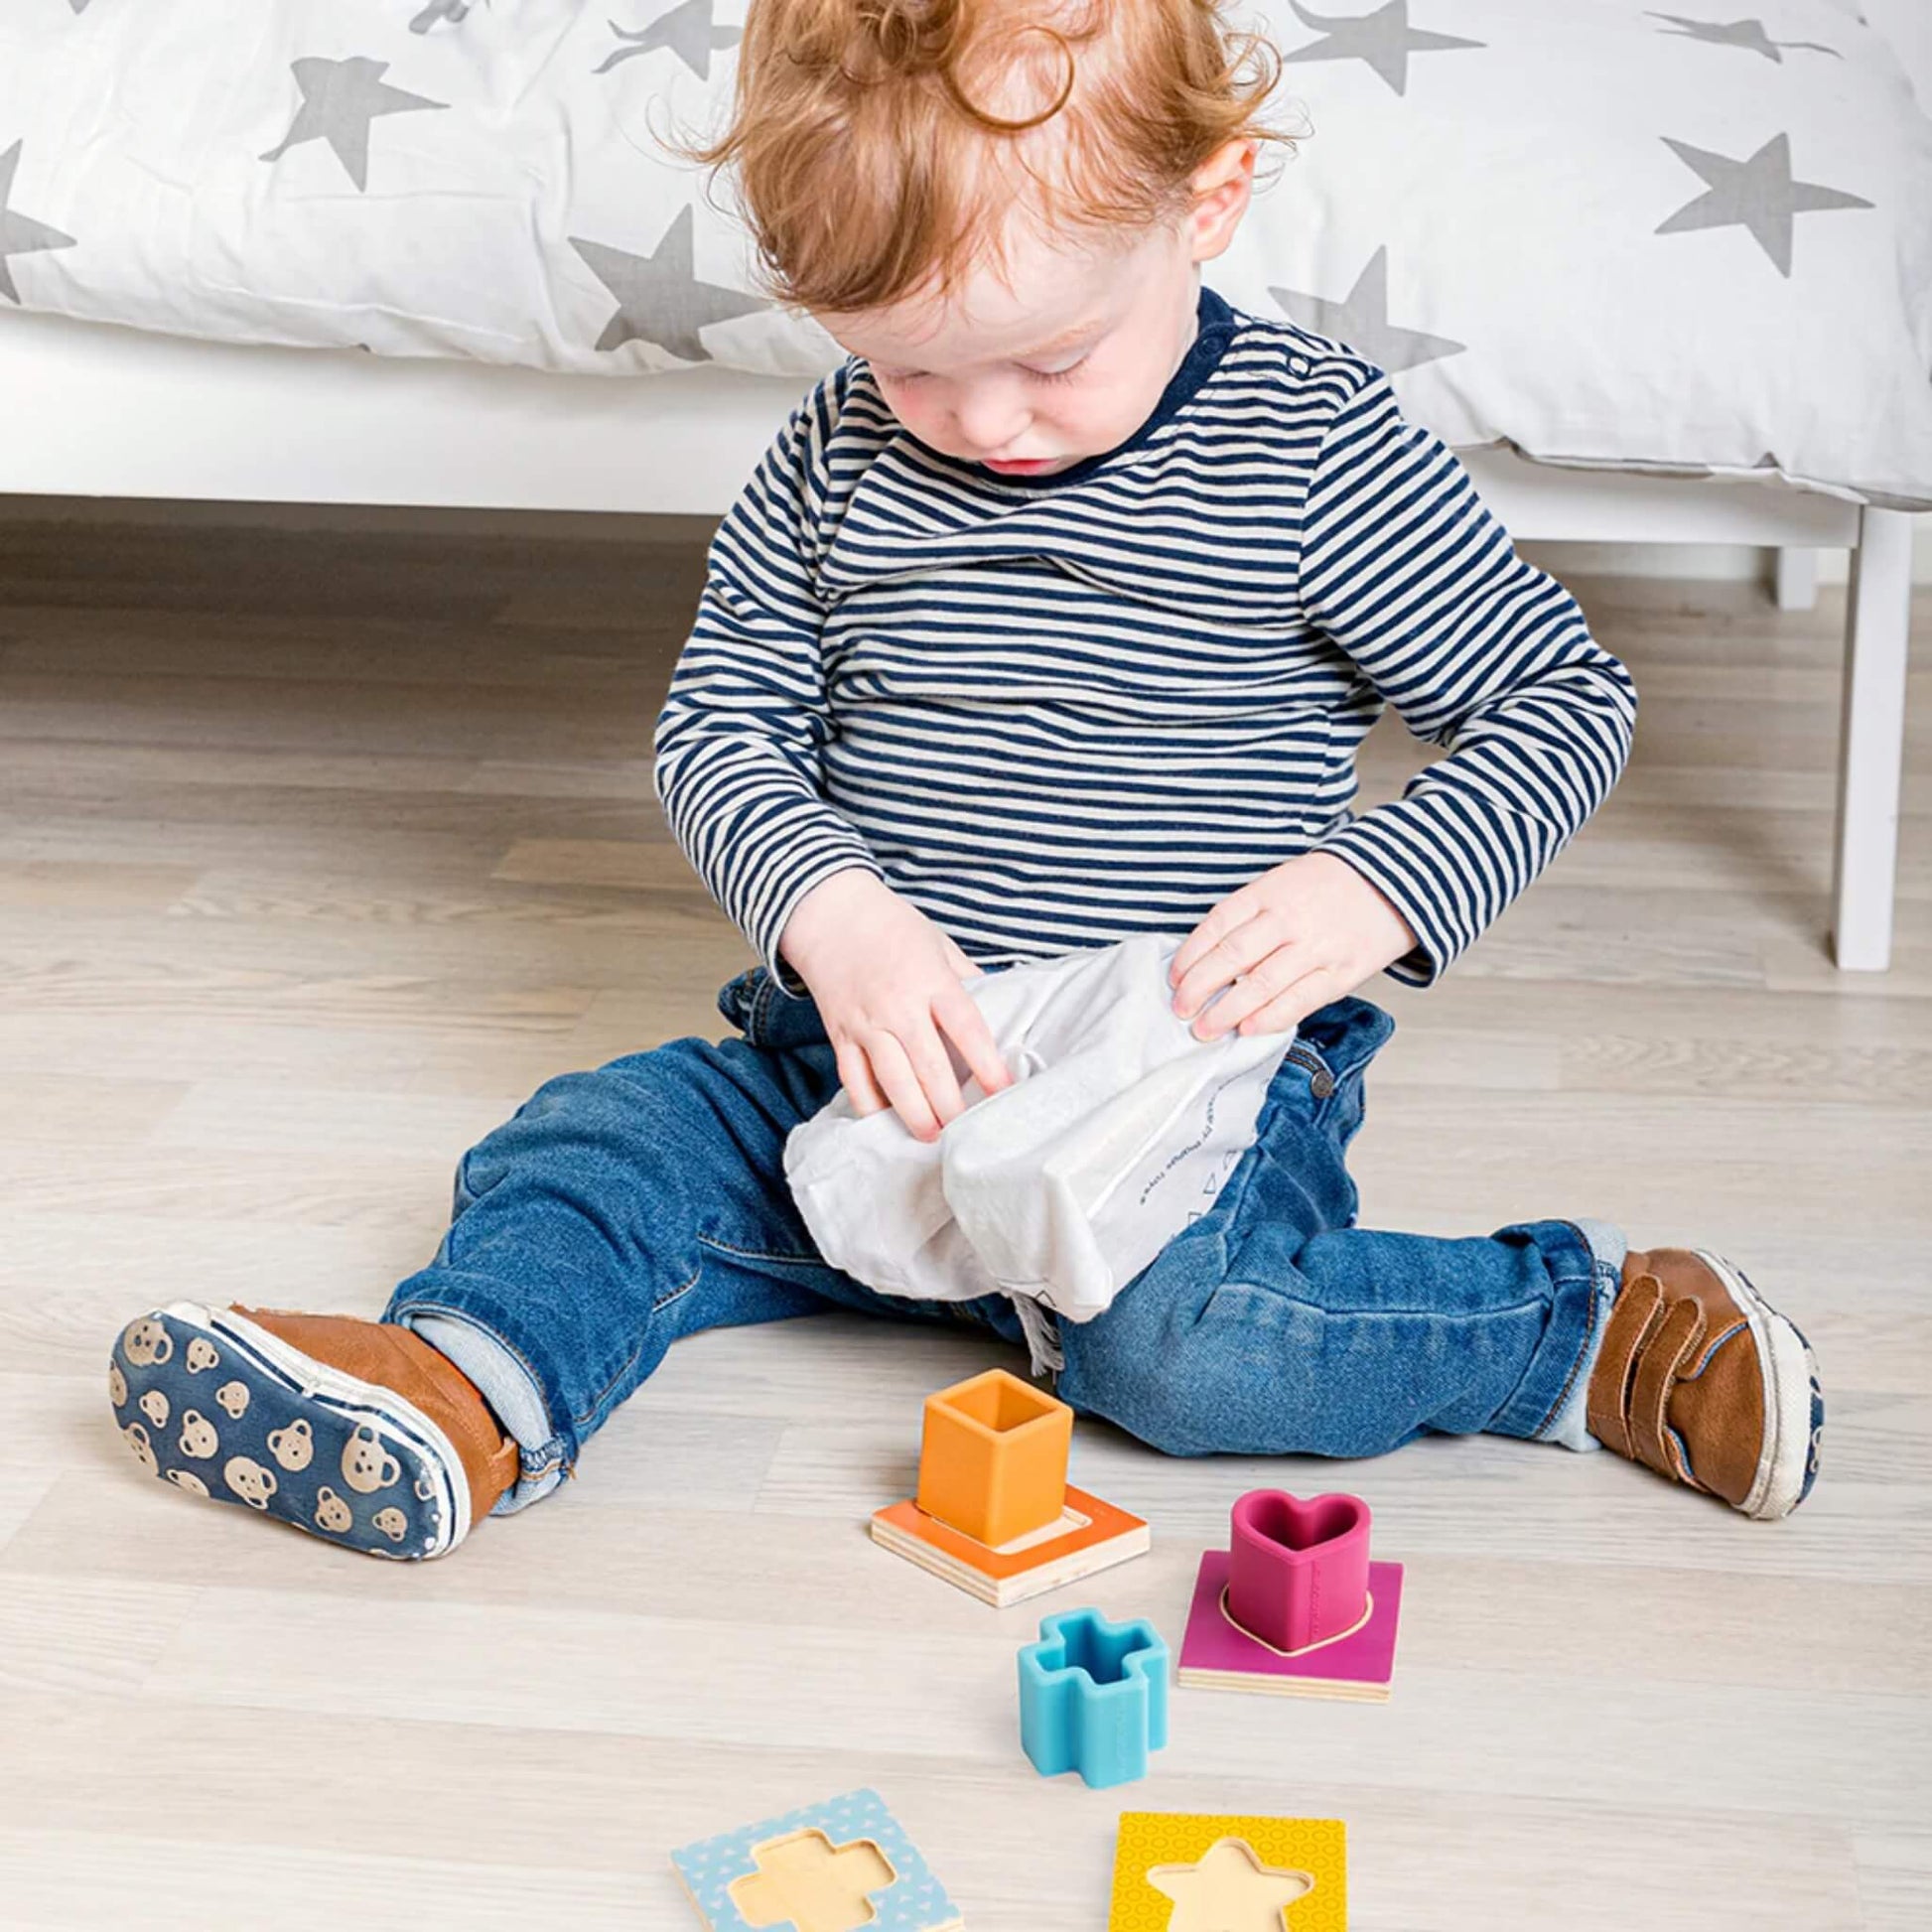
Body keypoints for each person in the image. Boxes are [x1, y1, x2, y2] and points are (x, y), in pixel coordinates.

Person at [105, 0, 1821, 1560]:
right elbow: (719, 727)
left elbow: (1557, 696)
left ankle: (1576, 1335)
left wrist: (1376, 884)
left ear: (1207, 202)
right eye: (908, 363)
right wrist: (831, 916)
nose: (981, 421)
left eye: (1051, 357)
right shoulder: (833, 457)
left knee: (1190, 1352)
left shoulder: (1306, 444)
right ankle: (463, 1390)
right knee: (595, 1144)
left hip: (1171, 1093)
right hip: (858, 1072)